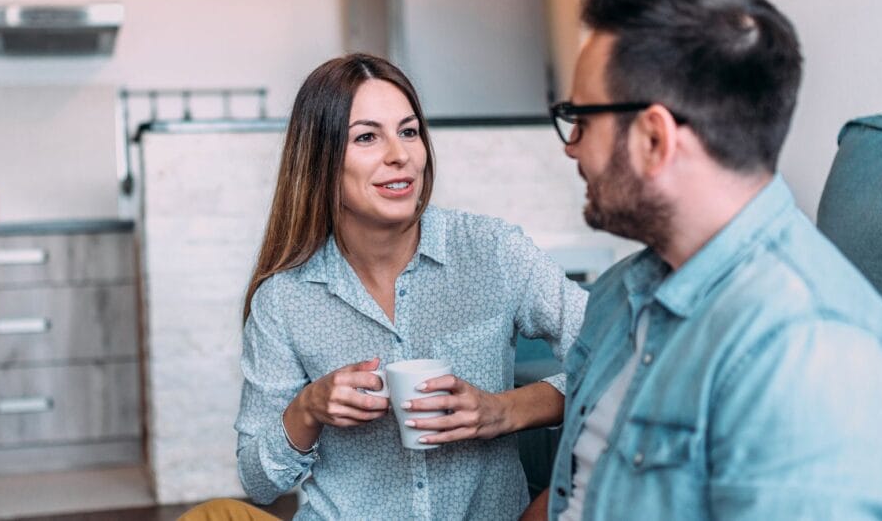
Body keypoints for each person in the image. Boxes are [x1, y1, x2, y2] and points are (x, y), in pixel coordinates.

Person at [521, 0, 882, 521]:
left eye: (580, 120)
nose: (572, 148)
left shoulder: (806, 346)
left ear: (653, 138)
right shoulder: (618, 294)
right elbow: (586, 484)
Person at [180, 53, 587, 521]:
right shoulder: (285, 299)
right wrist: (307, 409)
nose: (400, 154)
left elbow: (625, 357)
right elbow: (259, 483)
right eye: (367, 137)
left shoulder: (492, 252)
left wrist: (507, 410)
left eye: (409, 131)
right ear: (321, 160)